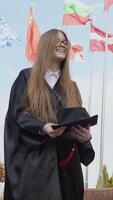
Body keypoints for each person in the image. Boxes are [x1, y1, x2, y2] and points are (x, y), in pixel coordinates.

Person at [4, 29, 95, 200]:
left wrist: (85, 138)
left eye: (65, 41)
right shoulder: (26, 78)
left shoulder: (72, 88)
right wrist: (43, 126)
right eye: (57, 40)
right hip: (36, 168)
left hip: (68, 171)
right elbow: (18, 113)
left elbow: (78, 121)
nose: (62, 43)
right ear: (45, 44)